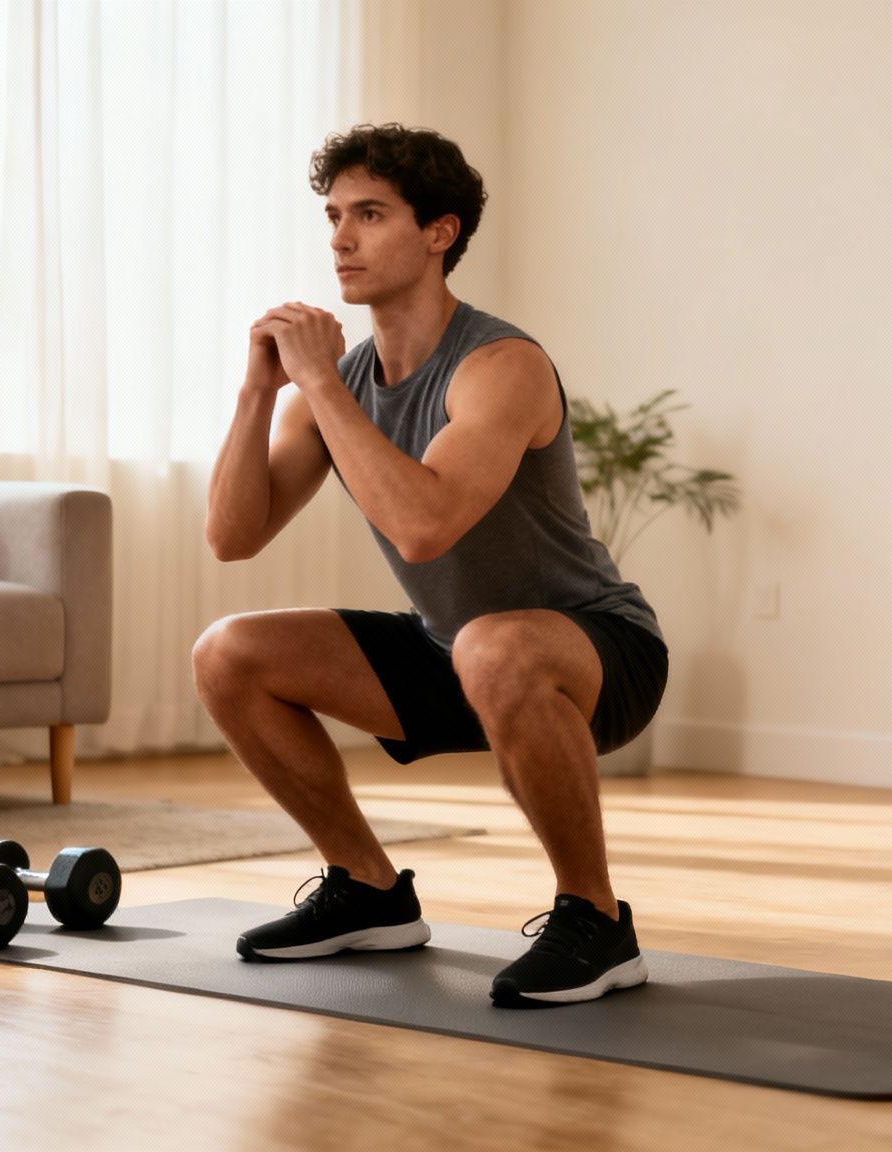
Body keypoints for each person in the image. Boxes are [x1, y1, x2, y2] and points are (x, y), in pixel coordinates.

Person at [194, 124, 666, 1007]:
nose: (340, 238)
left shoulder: (500, 365)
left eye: (370, 215)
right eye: (334, 216)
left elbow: (423, 528)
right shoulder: (346, 382)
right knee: (229, 652)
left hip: (601, 652)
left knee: (492, 644)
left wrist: (321, 384)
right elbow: (231, 537)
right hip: (459, 650)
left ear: (439, 232)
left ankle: (598, 923)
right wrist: (261, 388)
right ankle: (366, 891)